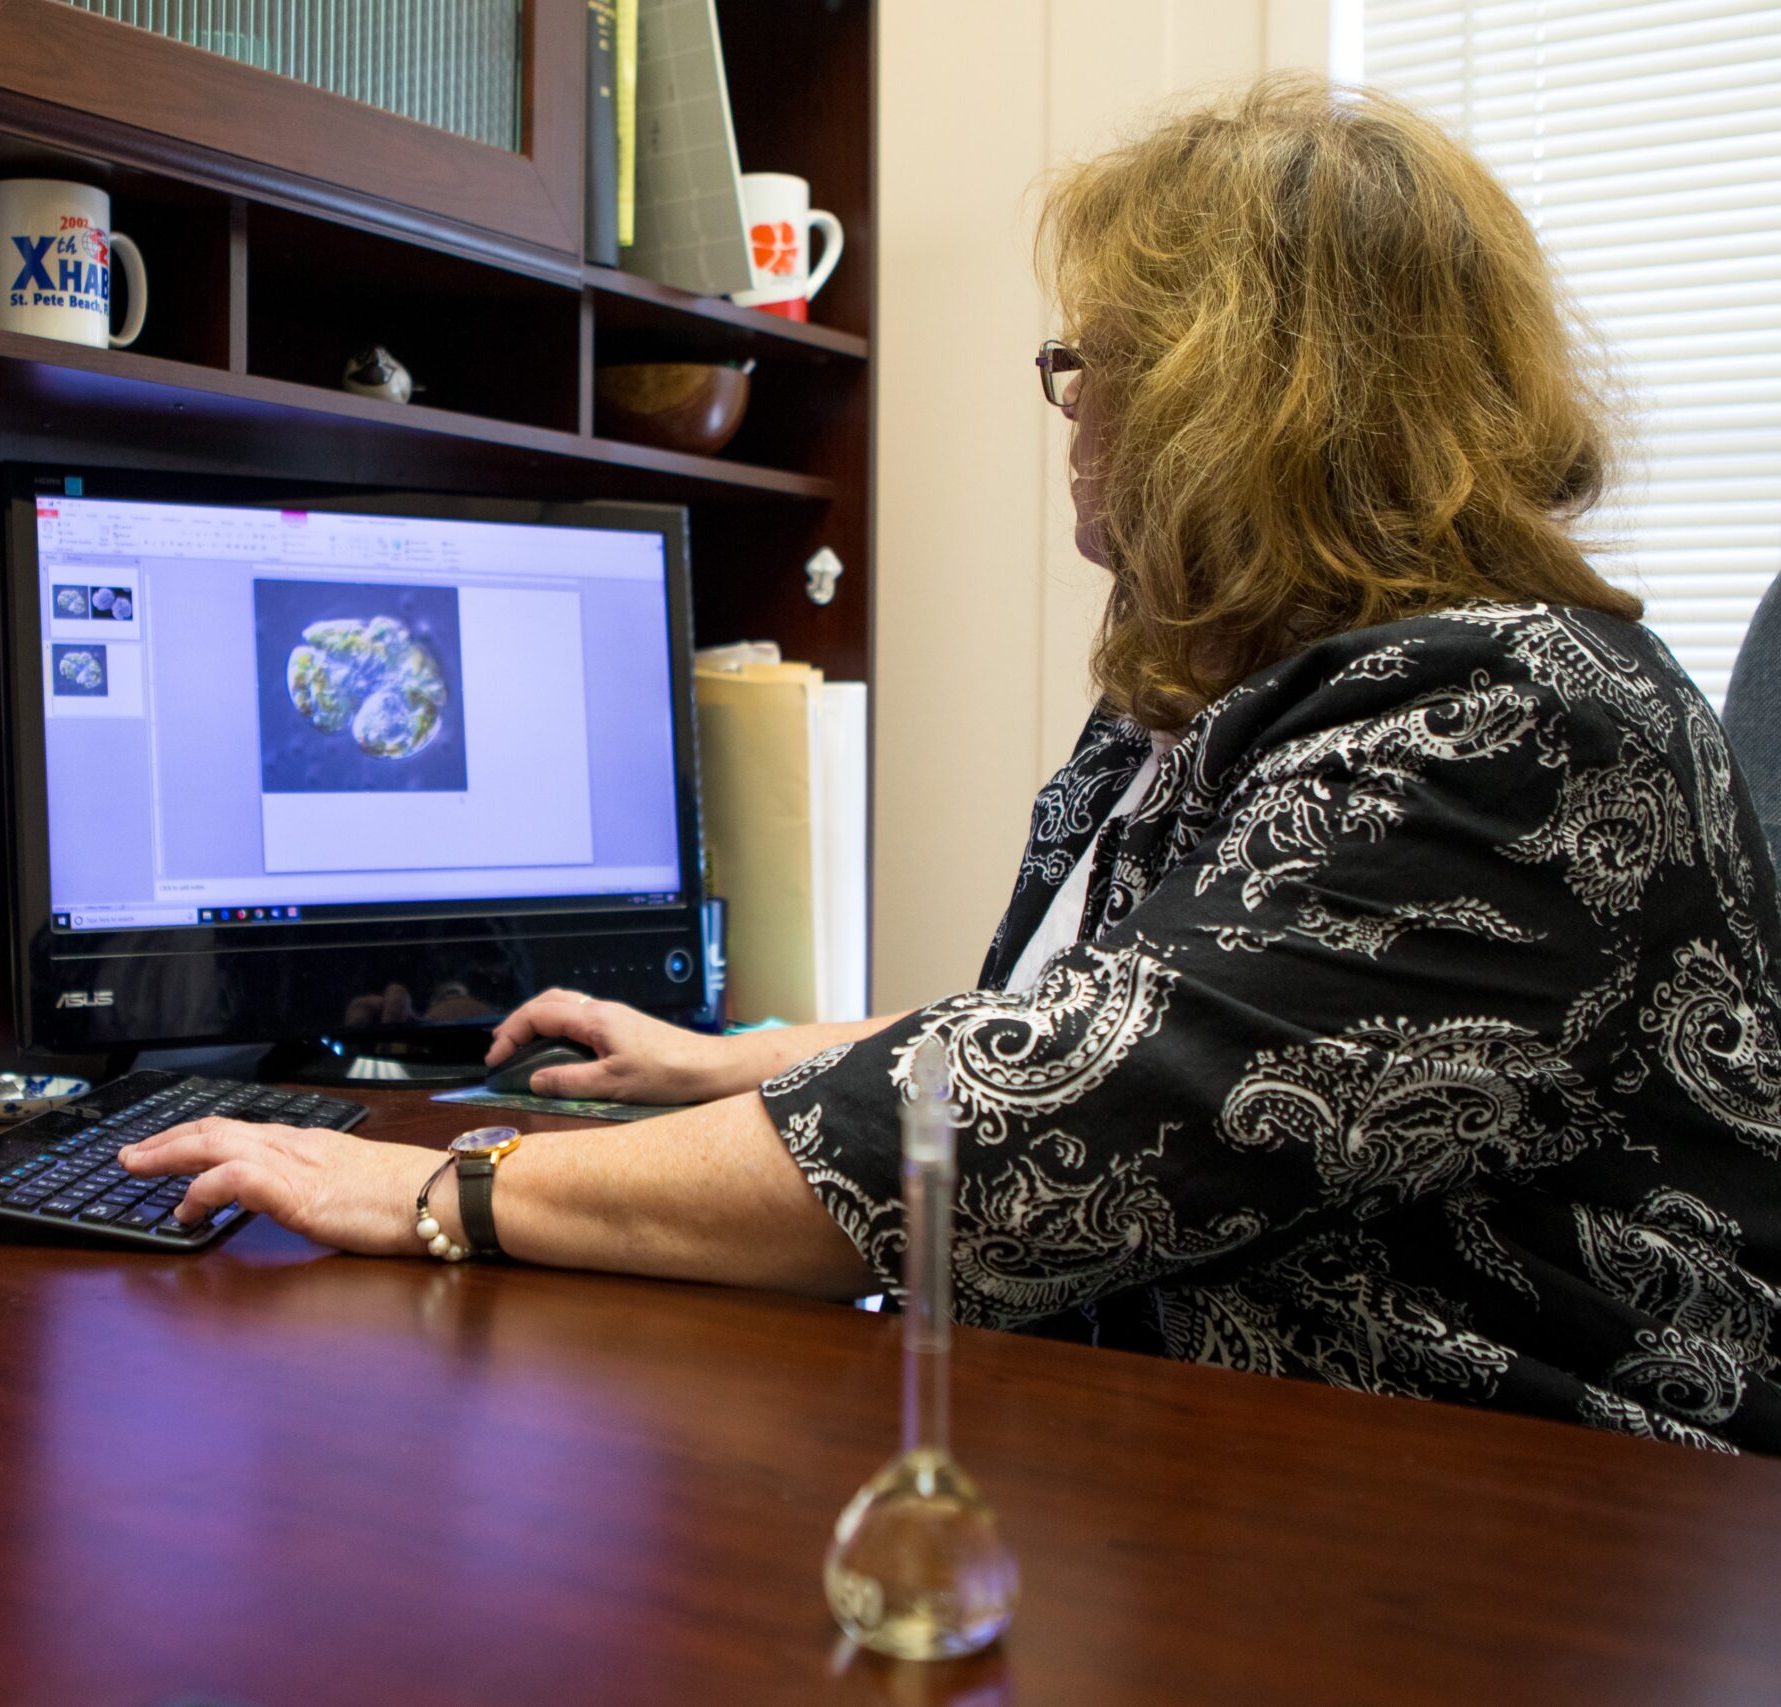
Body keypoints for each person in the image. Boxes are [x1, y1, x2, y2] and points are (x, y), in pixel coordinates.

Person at [124, 77, 1781, 1452]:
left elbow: (1033, 1136)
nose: (1072, 410)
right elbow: (1118, 1023)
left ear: (1243, 403)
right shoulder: (1238, 682)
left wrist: (440, 1189)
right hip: (1266, 1446)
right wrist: (738, 1058)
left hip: (1531, 1528)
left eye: (1099, 362)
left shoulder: (1516, 729)